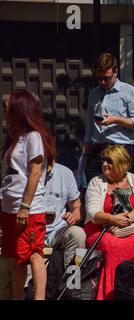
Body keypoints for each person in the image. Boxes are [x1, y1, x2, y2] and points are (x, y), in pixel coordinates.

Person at [0, 90, 55, 300]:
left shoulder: (33, 137)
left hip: (28, 209)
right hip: (9, 208)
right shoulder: (14, 138)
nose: (5, 111)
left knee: (34, 253)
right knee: (15, 256)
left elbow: (34, 171)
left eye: (8, 106)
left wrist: (25, 206)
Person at [84, 145, 134, 299]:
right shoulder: (96, 182)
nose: (105, 164)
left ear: (122, 163)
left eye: (110, 161)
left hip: (132, 226)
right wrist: (113, 219)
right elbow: (93, 213)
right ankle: (110, 294)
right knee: (112, 246)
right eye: (104, 160)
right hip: (101, 228)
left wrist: (125, 219)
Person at [84, 52, 134, 182]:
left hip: (121, 148)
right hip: (98, 148)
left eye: (106, 78)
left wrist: (116, 120)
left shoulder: (128, 91)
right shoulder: (94, 93)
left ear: (115, 72)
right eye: (99, 78)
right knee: (93, 186)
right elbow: (89, 124)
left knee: (119, 190)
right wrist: (87, 150)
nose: (103, 82)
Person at [45, 161, 85, 268]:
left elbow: (77, 207)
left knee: (78, 234)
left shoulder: (65, 172)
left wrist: (73, 216)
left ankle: (71, 280)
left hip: (56, 231)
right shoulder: (24, 170)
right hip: (30, 231)